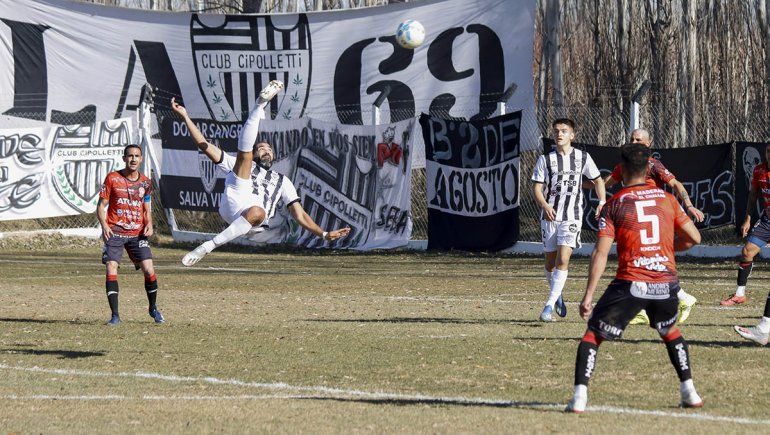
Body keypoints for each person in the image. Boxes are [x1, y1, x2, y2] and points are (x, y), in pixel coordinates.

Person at [566, 143, 703, 413]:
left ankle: (579, 397)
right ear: (647, 168)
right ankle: (690, 392)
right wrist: (665, 249)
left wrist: (588, 296)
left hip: (631, 284)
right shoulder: (667, 199)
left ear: (622, 169)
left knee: (593, 335)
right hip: (665, 285)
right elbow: (694, 238)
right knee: (669, 331)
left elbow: (601, 253)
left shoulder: (614, 204)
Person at [169, 82, 350, 266]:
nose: (266, 151)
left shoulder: (282, 181)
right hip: (234, 201)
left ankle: (206, 247)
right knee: (244, 159)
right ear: (255, 153)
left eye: (269, 149)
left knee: (257, 210)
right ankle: (259, 106)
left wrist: (323, 234)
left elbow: (299, 214)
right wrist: (185, 116)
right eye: (261, 148)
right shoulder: (241, 162)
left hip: (256, 219)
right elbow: (204, 145)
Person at [604, 128, 703, 325]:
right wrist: (587, 185)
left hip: (652, 213)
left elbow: (676, 184)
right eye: (632, 139)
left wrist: (689, 205)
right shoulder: (624, 164)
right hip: (635, 214)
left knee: (642, 257)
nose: (634, 142)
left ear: (649, 144)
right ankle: (672, 300)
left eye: (639, 140)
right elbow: (605, 183)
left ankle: (657, 304)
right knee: (640, 259)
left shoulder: (653, 164)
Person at [531, 118, 605, 322]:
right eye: (556, 131)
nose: (559, 134)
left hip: (572, 216)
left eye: (564, 131)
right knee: (550, 262)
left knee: (563, 259)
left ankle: (548, 307)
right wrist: (545, 205)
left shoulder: (583, 157)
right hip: (550, 217)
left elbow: (598, 180)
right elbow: (537, 188)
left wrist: (602, 202)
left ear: (572, 135)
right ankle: (557, 294)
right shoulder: (545, 160)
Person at [96, 144, 164, 326]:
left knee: (149, 270)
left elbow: (146, 207)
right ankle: (115, 316)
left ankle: (153, 308)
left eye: (136, 156)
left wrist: (149, 223)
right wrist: (104, 225)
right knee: (111, 266)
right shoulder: (112, 178)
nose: (133, 159)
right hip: (115, 231)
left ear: (141, 159)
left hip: (137, 233)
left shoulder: (146, 183)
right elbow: (101, 206)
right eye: (130, 156)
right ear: (124, 158)